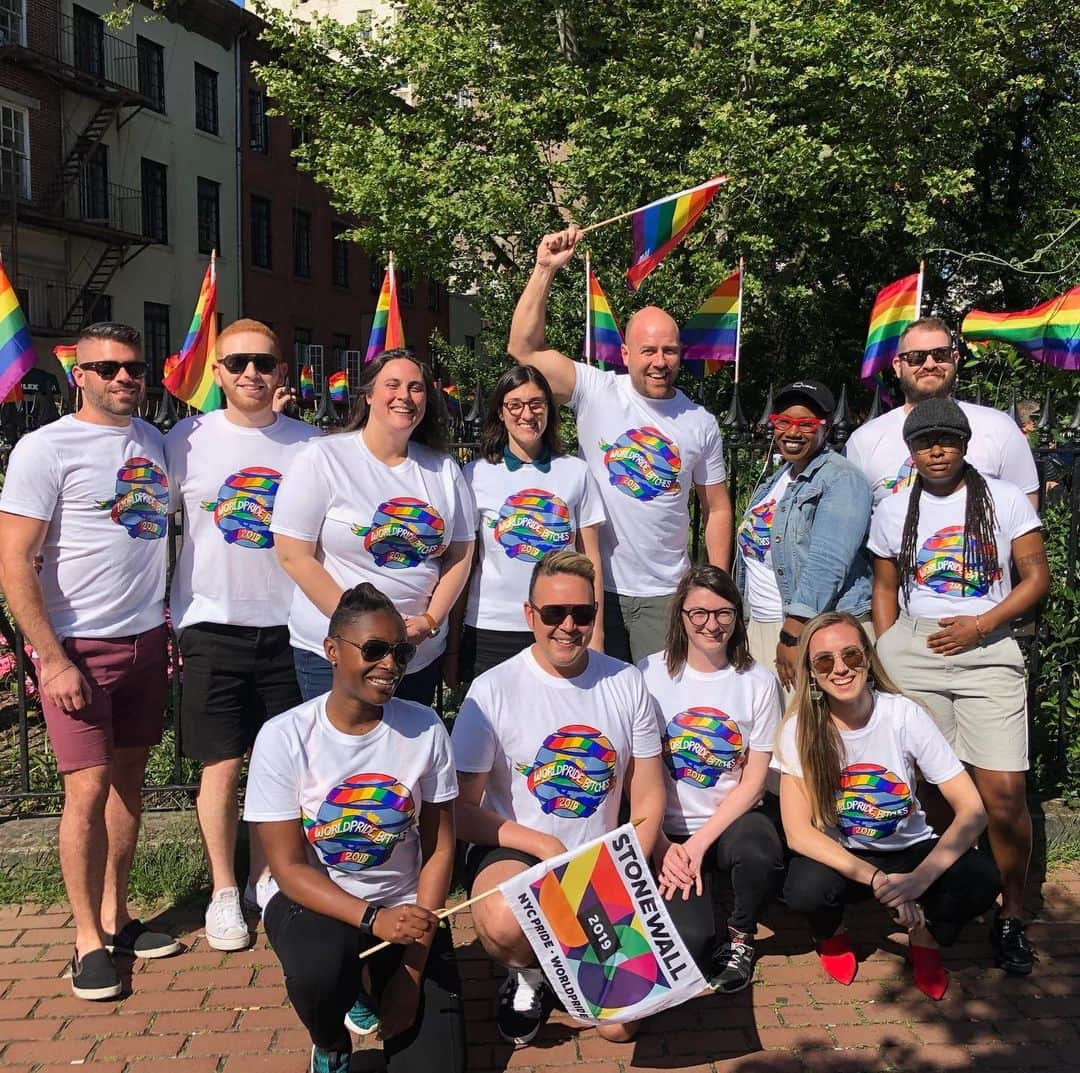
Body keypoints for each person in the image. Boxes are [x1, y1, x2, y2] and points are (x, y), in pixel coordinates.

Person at [0, 322, 179, 1000]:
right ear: (81, 374)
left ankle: (118, 913)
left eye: (133, 367)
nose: (124, 378)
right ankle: (85, 939)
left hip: (145, 639)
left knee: (129, 782)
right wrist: (51, 657)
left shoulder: (155, 441)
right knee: (86, 789)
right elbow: (13, 558)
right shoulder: (45, 448)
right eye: (108, 369)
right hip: (78, 648)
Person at [243, 584, 464, 1073]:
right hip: (315, 906)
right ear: (331, 650)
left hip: (406, 913)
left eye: (400, 651)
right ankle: (331, 1041)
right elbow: (287, 867)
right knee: (319, 970)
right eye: (373, 650)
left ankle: (375, 979)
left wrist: (411, 969)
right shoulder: (284, 736)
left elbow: (439, 850)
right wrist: (370, 920)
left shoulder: (426, 729)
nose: (390, 664)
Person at [451, 549, 665, 1045]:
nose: (568, 626)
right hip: (519, 853)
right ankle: (526, 973)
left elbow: (649, 798)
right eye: (553, 613)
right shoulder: (493, 690)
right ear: (530, 615)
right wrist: (544, 849)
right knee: (504, 922)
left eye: (582, 614)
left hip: (599, 865)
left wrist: (629, 873)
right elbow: (461, 811)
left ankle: (568, 957)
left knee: (619, 1029)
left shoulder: (625, 681)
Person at [869, 397, 1050, 974]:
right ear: (911, 450)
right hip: (916, 646)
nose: (937, 449)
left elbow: (1036, 577)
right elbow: (884, 585)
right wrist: (885, 648)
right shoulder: (895, 507)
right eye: (925, 442)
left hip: (986, 644)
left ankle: (1012, 915)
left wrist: (982, 626)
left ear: (966, 443)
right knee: (928, 790)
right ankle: (948, 899)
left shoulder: (1004, 499)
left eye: (947, 439)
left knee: (1003, 793)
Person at [165, 319, 319, 951]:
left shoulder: (311, 445)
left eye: (264, 361)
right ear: (218, 372)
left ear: (282, 371)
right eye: (237, 363)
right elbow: (144, 521)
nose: (251, 372)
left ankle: (267, 877)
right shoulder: (186, 440)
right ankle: (224, 889)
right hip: (212, 621)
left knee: (286, 766)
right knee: (222, 765)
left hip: (295, 626)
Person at [508, 228, 732, 664]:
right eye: (648, 350)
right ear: (626, 354)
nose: (659, 361)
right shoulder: (596, 389)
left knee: (659, 708)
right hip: (594, 588)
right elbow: (523, 348)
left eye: (669, 350)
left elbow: (718, 507)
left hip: (666, 593)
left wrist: (715, 589)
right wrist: (544, 269)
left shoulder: (699, 422)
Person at [776, 612, 1000, 999]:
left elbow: (972, 810)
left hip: (909, 850)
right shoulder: (800, 728)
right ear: (811, 673)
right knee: (803, 889)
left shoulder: (903, 714)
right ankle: (832, 932)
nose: (841, 668)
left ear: (868, 657)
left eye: (852, 656)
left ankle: (925, 935)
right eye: (825, 661)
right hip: (845, 855)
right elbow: (797, 834)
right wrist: (877, 881)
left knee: (981, 878)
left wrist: (919, 880)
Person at [272, 349, 474, 707]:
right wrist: (360, 626)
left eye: (416, 388)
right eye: (392, 385)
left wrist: (428, 621)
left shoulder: (443, 468)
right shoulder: (323, 458)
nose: (404, 396)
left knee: (402, 760)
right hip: (336, 653)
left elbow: (460, 554)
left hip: (414, 656)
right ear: (368, 394)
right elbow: (293, 556)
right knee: (337, 760)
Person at [638, 564, 784, 993]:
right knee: (691, 945)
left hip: (729, 821)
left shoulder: (757, 682)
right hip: (664, 829)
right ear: (680, 616)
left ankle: (741, 935)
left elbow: (755, 781)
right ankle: (704, 927)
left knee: (759, 849)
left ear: (737, 618)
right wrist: (666, 845)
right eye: (698, 613)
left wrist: (698, 845)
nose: (711, 624)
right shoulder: (647, 674)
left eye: (724, 613)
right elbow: (635, 771)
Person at [452, 365, 606, 684]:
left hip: (559, 623)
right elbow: (463, 562)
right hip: (492, 626)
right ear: (500, 411)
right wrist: (453, 644)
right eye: (516, 404)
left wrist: (596, 630)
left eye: (537, 404)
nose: (527, 414)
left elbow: (591, 560)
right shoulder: (474, 474)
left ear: (549, 409)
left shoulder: (576, 472)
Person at [734, 380, 873, 692]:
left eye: (806, 424)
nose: (792, 433)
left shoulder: (843, 480)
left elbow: (829, 563)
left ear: (824, 428)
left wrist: (793, 632)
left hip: (812, 632)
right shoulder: (777, 479)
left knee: (815, 734)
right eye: (783, 422)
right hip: (763, 625)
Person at [844, 317, 1038, 508]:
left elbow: (1025, 514)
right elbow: (848, 523)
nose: (929, 365)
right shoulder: (864, 441)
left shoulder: (999, 427)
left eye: (940, 355)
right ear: (897, 366)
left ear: (955, 359)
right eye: (916, 357)